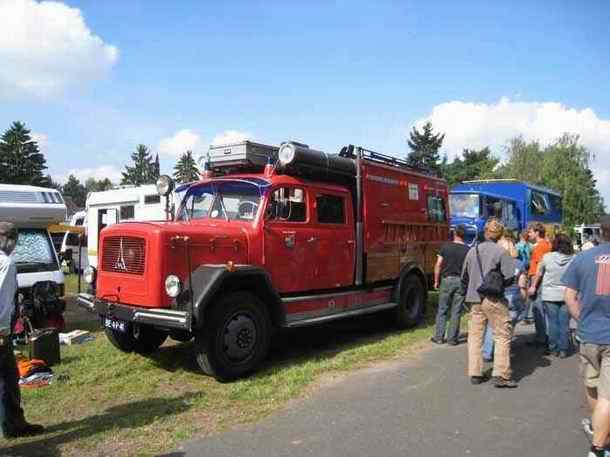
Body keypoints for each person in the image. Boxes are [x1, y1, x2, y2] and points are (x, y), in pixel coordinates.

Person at [562, 215, 610, 457]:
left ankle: (599, 429)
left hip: (588, 334)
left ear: (601, 232)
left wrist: (582, 318)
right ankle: (598, 448)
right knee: (608, 396)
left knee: (592, 386)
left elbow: (569, 296)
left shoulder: (583, 257)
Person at [0, 222, 44, 438]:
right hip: (0, 332)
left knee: (9, 377)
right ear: (8, 240)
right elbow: (2, 299)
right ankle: (13, 425)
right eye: (13, 240)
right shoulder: (6, 263)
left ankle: (13, 424)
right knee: (7, 378)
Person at [462, 218, 516, 388]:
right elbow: (509, 278)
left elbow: (464, 277)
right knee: (501, 335)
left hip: (474, 299)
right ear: (500, 235)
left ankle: (475, 372)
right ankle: (500, 374)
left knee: (475, 336)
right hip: (494, 299)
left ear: (485, 232)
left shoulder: (472, 251)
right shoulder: (501, 253)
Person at [482, 230, 527, 361]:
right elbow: (522, 285)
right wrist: (524, 300)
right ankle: (503, 351)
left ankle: (487, 352)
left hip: (497, 296)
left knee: (492, 325)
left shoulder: (494, 262)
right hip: (514, 298)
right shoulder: (519, 264)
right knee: (507, 327)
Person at [529, 233, 574, 358]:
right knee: (564, 323)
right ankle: (563, 349)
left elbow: (538, 273)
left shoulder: (547, 257)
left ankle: (553, 347)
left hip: (549, 294)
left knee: (553, 322)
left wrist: (533, 286)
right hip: (567, 294)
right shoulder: (573, 258)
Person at [432, 225, 470, 345]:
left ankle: (439, 337)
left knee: (442, 309)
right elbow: (469, 268)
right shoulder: (468, 250)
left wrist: (436, 280)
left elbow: (438, 264)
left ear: (454, 234)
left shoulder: (445, 247)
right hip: (460, 281)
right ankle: (452, 339)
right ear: (464, 235)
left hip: (446, 280)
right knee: (456, 311)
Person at [527, 223, 552, 347]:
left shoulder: (539, 247)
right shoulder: (547, 244)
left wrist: (533, 286)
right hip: (545, 280)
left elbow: (538, 269)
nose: (529, 234)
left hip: (538, 281)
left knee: (538, 310)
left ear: (537, 232)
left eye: (530, 232)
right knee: (545, 310)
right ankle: (545, 337)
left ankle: (541, 338)